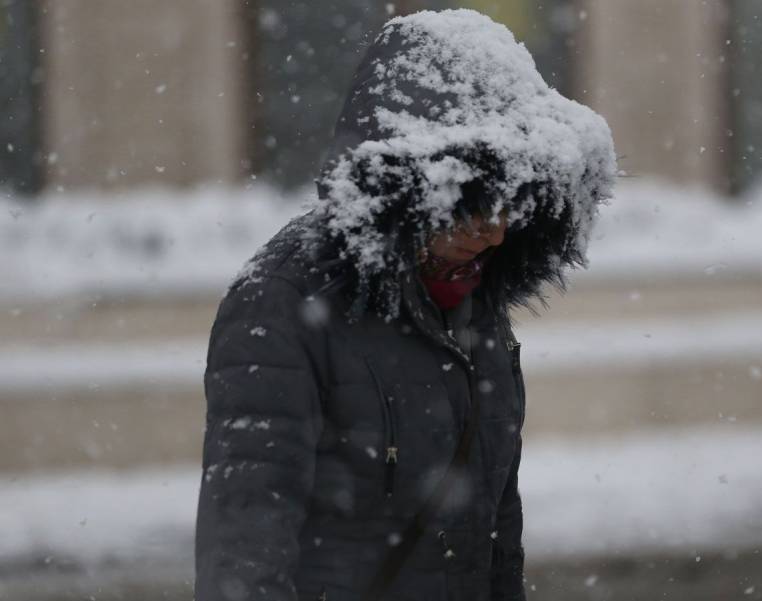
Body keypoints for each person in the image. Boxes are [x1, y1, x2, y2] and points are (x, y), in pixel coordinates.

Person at [194, 8, 615, 601]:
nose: (494, 233)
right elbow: (246, 531)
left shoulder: (475, 299)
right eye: (470, 203)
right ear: (405, 188)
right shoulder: (280, 300)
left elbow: (497, 527)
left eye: (511, 205)